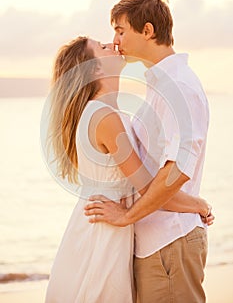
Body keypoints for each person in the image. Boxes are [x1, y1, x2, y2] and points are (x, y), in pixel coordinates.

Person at [44, 35, 212, 303]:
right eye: (102, 47)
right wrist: (199, 205)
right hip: (104, 233)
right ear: (95, 69)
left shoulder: (104, 112)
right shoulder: (106, 118)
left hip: (101, 227)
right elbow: (148, 187)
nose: (112, 44)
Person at [84, 0, 214, 303]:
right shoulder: (160, 86)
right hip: (157, 244)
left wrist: (125, 216)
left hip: (170, 241)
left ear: (147, 30)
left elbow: (177, 170)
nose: (115, 41)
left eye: (120, 30)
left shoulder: (179, 86)